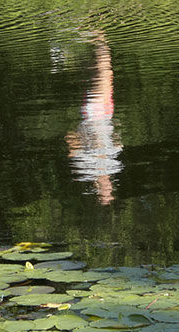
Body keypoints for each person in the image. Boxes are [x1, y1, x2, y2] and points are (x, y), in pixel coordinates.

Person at [65, 30, 123, 205]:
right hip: (106, 114)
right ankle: (88, 41)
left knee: (104, 73)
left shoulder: (86, 168)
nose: (107, 187)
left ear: (97, 189)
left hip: (92, 115)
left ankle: (99, 37)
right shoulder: (114, 167)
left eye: (104, 192)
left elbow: (70, 140)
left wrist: (86, 138)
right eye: (109, 191)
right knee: (103, 73)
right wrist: (115, 136)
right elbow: (118, 142)